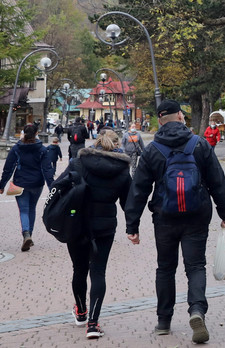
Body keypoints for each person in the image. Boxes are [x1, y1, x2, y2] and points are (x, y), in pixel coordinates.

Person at [126, 100, 225, 344]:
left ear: (161, 120)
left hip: (164, 217)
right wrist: (224, 213)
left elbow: (139, 189)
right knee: (195, 266)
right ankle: (197, 311)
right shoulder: (200, 145)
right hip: (197, 215)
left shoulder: (153, 150)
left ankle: (164, 321)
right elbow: (218, 180)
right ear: (181, 117)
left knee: (165, 268)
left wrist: (132, 225)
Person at [63, 129, 132, 339]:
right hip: (105, 225)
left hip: (77, 224)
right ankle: (92, 324)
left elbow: (61, 188)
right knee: (98, 271)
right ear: (117, 144)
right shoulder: (121, 170)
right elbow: (128, 202)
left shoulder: (78, 163)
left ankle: (81, 312)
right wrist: (132, 227)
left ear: (97, 142)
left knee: (79, 269)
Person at [0, 123, 55, 251]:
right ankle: (29, 236)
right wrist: (52, 187)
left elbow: (8, 168)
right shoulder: (42, 150)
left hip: (19, 183)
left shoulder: (16, 148)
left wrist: (2, 185)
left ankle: (26, 234)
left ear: (23, 133)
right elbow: (47, 169)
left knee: (23, 210)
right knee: (32, 209)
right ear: (36, 134)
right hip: (36, 183)